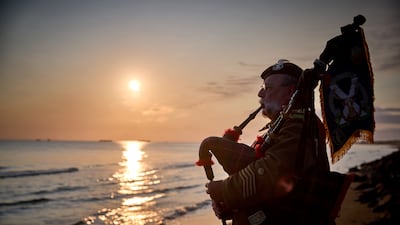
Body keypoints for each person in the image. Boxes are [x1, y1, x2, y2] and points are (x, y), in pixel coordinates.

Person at [201, 59, 331, 225]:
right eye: (262, 88)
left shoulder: (299, 124)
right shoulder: (283, 125)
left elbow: (271, 174)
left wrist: (224, 190)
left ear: (291, 92)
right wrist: (231, 206)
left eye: (268, 88)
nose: (260, 94)